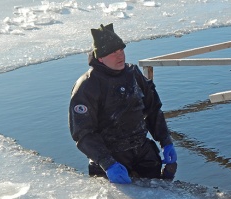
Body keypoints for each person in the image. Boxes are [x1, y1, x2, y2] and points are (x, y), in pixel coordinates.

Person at [68, 23, 177, 184]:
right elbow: (83, 133)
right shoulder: (87, 86)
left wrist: (165, 141)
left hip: (142, 152)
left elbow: (153, 109)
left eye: (121, 50)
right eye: (113, 52)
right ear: (100, 57)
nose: (120, 56)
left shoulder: (133, 74)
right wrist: (107, 163)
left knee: (161, 198)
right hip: (111, 158)